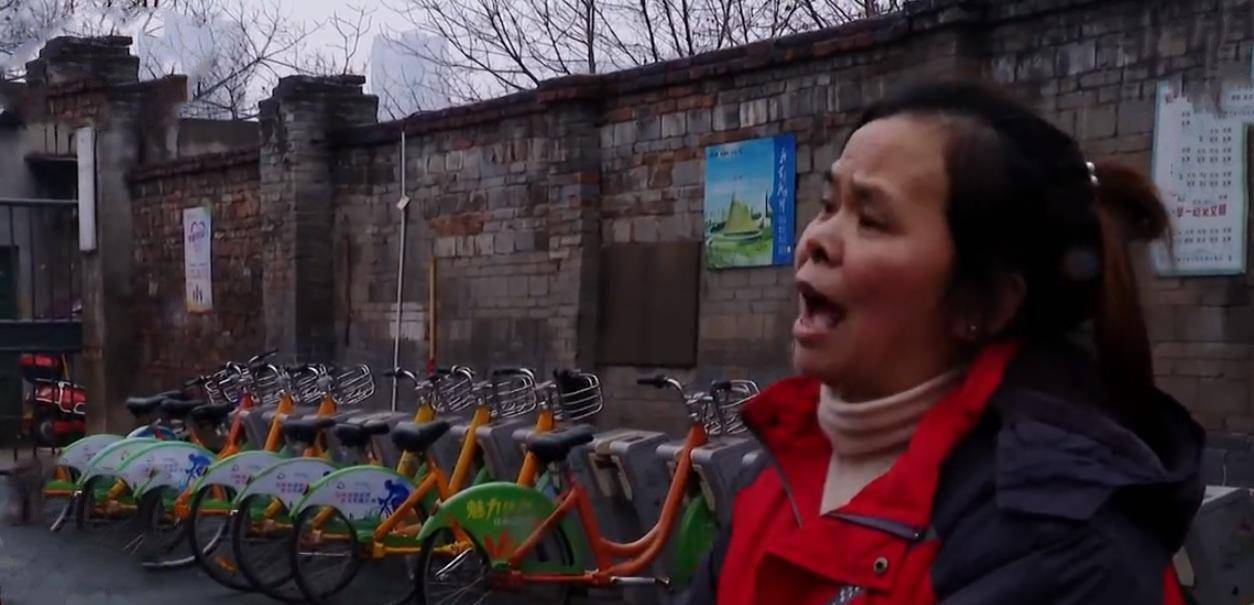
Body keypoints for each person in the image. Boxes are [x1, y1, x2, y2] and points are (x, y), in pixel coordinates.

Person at [686, 82, 1203, 604]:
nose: (815, 240)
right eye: (827, 205)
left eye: (871, 220)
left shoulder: (1057, 543)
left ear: (983, 303)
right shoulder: (778, 473)